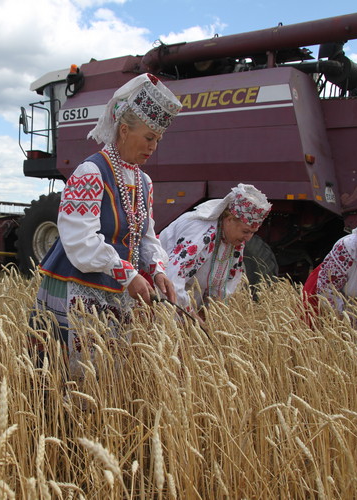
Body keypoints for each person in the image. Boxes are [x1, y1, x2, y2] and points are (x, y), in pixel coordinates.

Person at [30, 73, 181, 379]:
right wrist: (129, 274)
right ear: (124, 130)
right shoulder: (90, 173)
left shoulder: (143, 180)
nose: (154, 146)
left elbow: (145, 235)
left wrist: (158, 270)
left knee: (108, 382)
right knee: (68, 382)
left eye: (158, 140)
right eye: (149, 137)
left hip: (117, 292)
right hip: (77, 289)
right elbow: (80, 241)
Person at [159, 184, 272, 317]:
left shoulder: (233, 241)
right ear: (229, 219)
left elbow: (226, 283)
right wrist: (191, 315)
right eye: (245, 231)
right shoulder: (200, 234)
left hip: (188, 300)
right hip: (161, 293)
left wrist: (210, 313)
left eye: (253, 232)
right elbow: (171, 277)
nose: (248, 238)